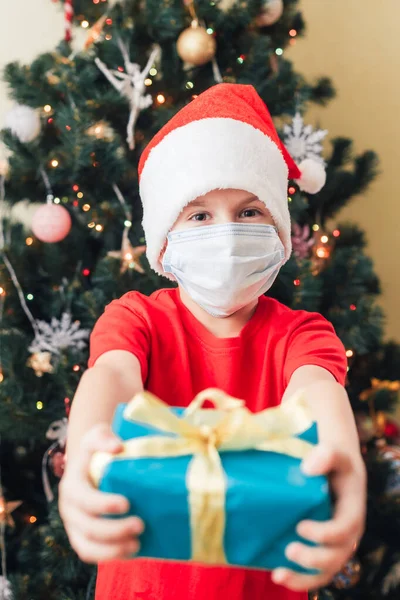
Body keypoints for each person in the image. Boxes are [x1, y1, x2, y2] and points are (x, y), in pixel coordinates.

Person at [59, 84, 366, 600]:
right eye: (199, 215)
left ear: (279, 226)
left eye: (250, 211)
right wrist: (81, 463)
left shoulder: (301, 334)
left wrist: (343, 458)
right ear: (163, 238)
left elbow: (316, 391)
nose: (226, 237)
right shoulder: (137, 318)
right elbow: (111, 374)